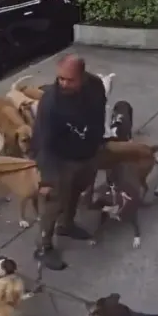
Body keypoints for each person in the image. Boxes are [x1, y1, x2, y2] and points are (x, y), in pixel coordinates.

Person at [30, 54, 107, 270]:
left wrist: (98, 141)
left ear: (82, 77)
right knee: (52, 203)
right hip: (59, 159)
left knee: (76, 193)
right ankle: (43, 247)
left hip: (87, 155)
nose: (63, 83)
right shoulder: (51, 102)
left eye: (69, 79)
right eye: (60, 78)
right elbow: (43, 141)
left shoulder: (95, 86)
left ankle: (67, 225)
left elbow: (100, 113)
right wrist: (47, 178)